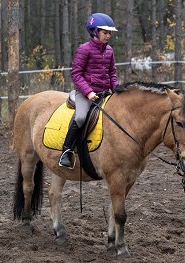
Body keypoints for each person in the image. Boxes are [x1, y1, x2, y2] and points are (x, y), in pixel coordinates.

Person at [59, 13, 119, 168]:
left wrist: (116, 89)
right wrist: (88, 92)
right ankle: (66, 151)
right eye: (105, 32)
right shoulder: (84, 49)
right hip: (85, 94)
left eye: (110, 33)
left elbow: (112, 73)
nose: (108, 36)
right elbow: (76, 74)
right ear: (94, 31)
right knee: (80, 118)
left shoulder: (110, 50)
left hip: (105, 92)